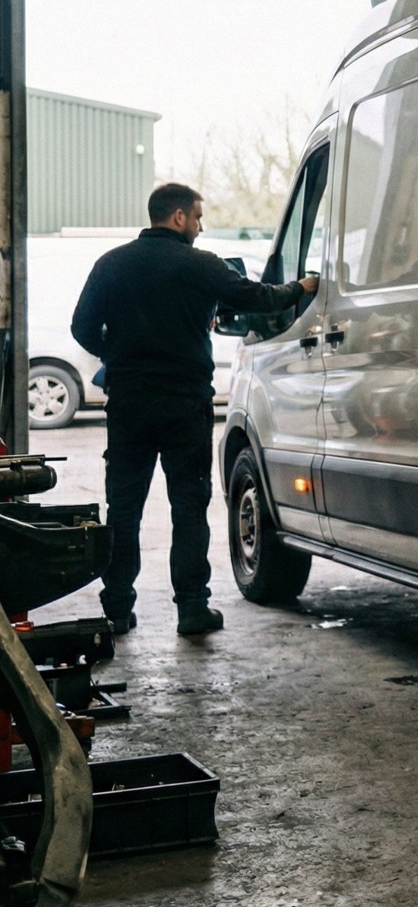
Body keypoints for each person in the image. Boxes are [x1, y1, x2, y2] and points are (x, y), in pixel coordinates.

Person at [71, 183, 317, 637]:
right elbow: (258, 297)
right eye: (198, 218)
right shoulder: (201, 266)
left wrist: (121, 356)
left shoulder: (111, 264)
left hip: (128, 403)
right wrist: (300, 287)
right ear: (180, 216)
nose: (201, 227)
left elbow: (81, 326)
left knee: (124, 508)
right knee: (188, 506)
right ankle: (191, 609)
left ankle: (117, 609)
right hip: (185, 403)